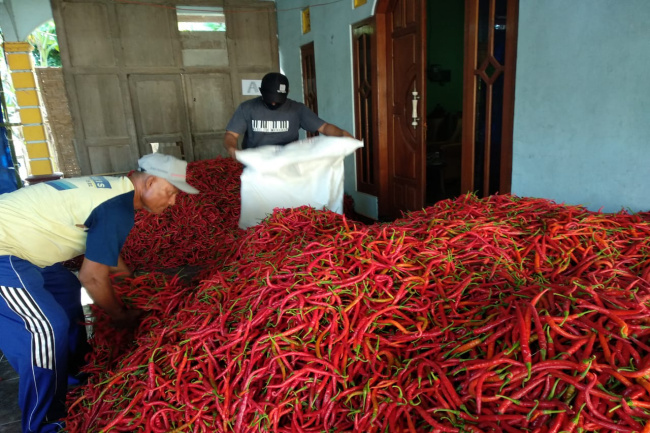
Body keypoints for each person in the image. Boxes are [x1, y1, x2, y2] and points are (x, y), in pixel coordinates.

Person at [0, 153, 199, 433]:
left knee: (66, 291)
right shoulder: (118, 206)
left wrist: (131, 284)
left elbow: (103, 253)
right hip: (5, 248)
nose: (173, 202)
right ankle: (45, 422)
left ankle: (70, 376)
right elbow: (92, 277)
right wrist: (120, 314)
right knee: (44, 328)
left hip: (25, 248)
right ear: (151, 181)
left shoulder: (116, 190)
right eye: (171, 193)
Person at [224, 72, 353, 158]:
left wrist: (342, 134)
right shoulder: (247, 108)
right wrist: (232, 149)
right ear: (260, 92)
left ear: (288, 92)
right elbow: (231, 134)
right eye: (270, 98)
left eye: (278, 99)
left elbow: (324, 127)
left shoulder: (297, 109)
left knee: (285, 199)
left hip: (287, 164)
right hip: (256, 166)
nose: (274, 103)